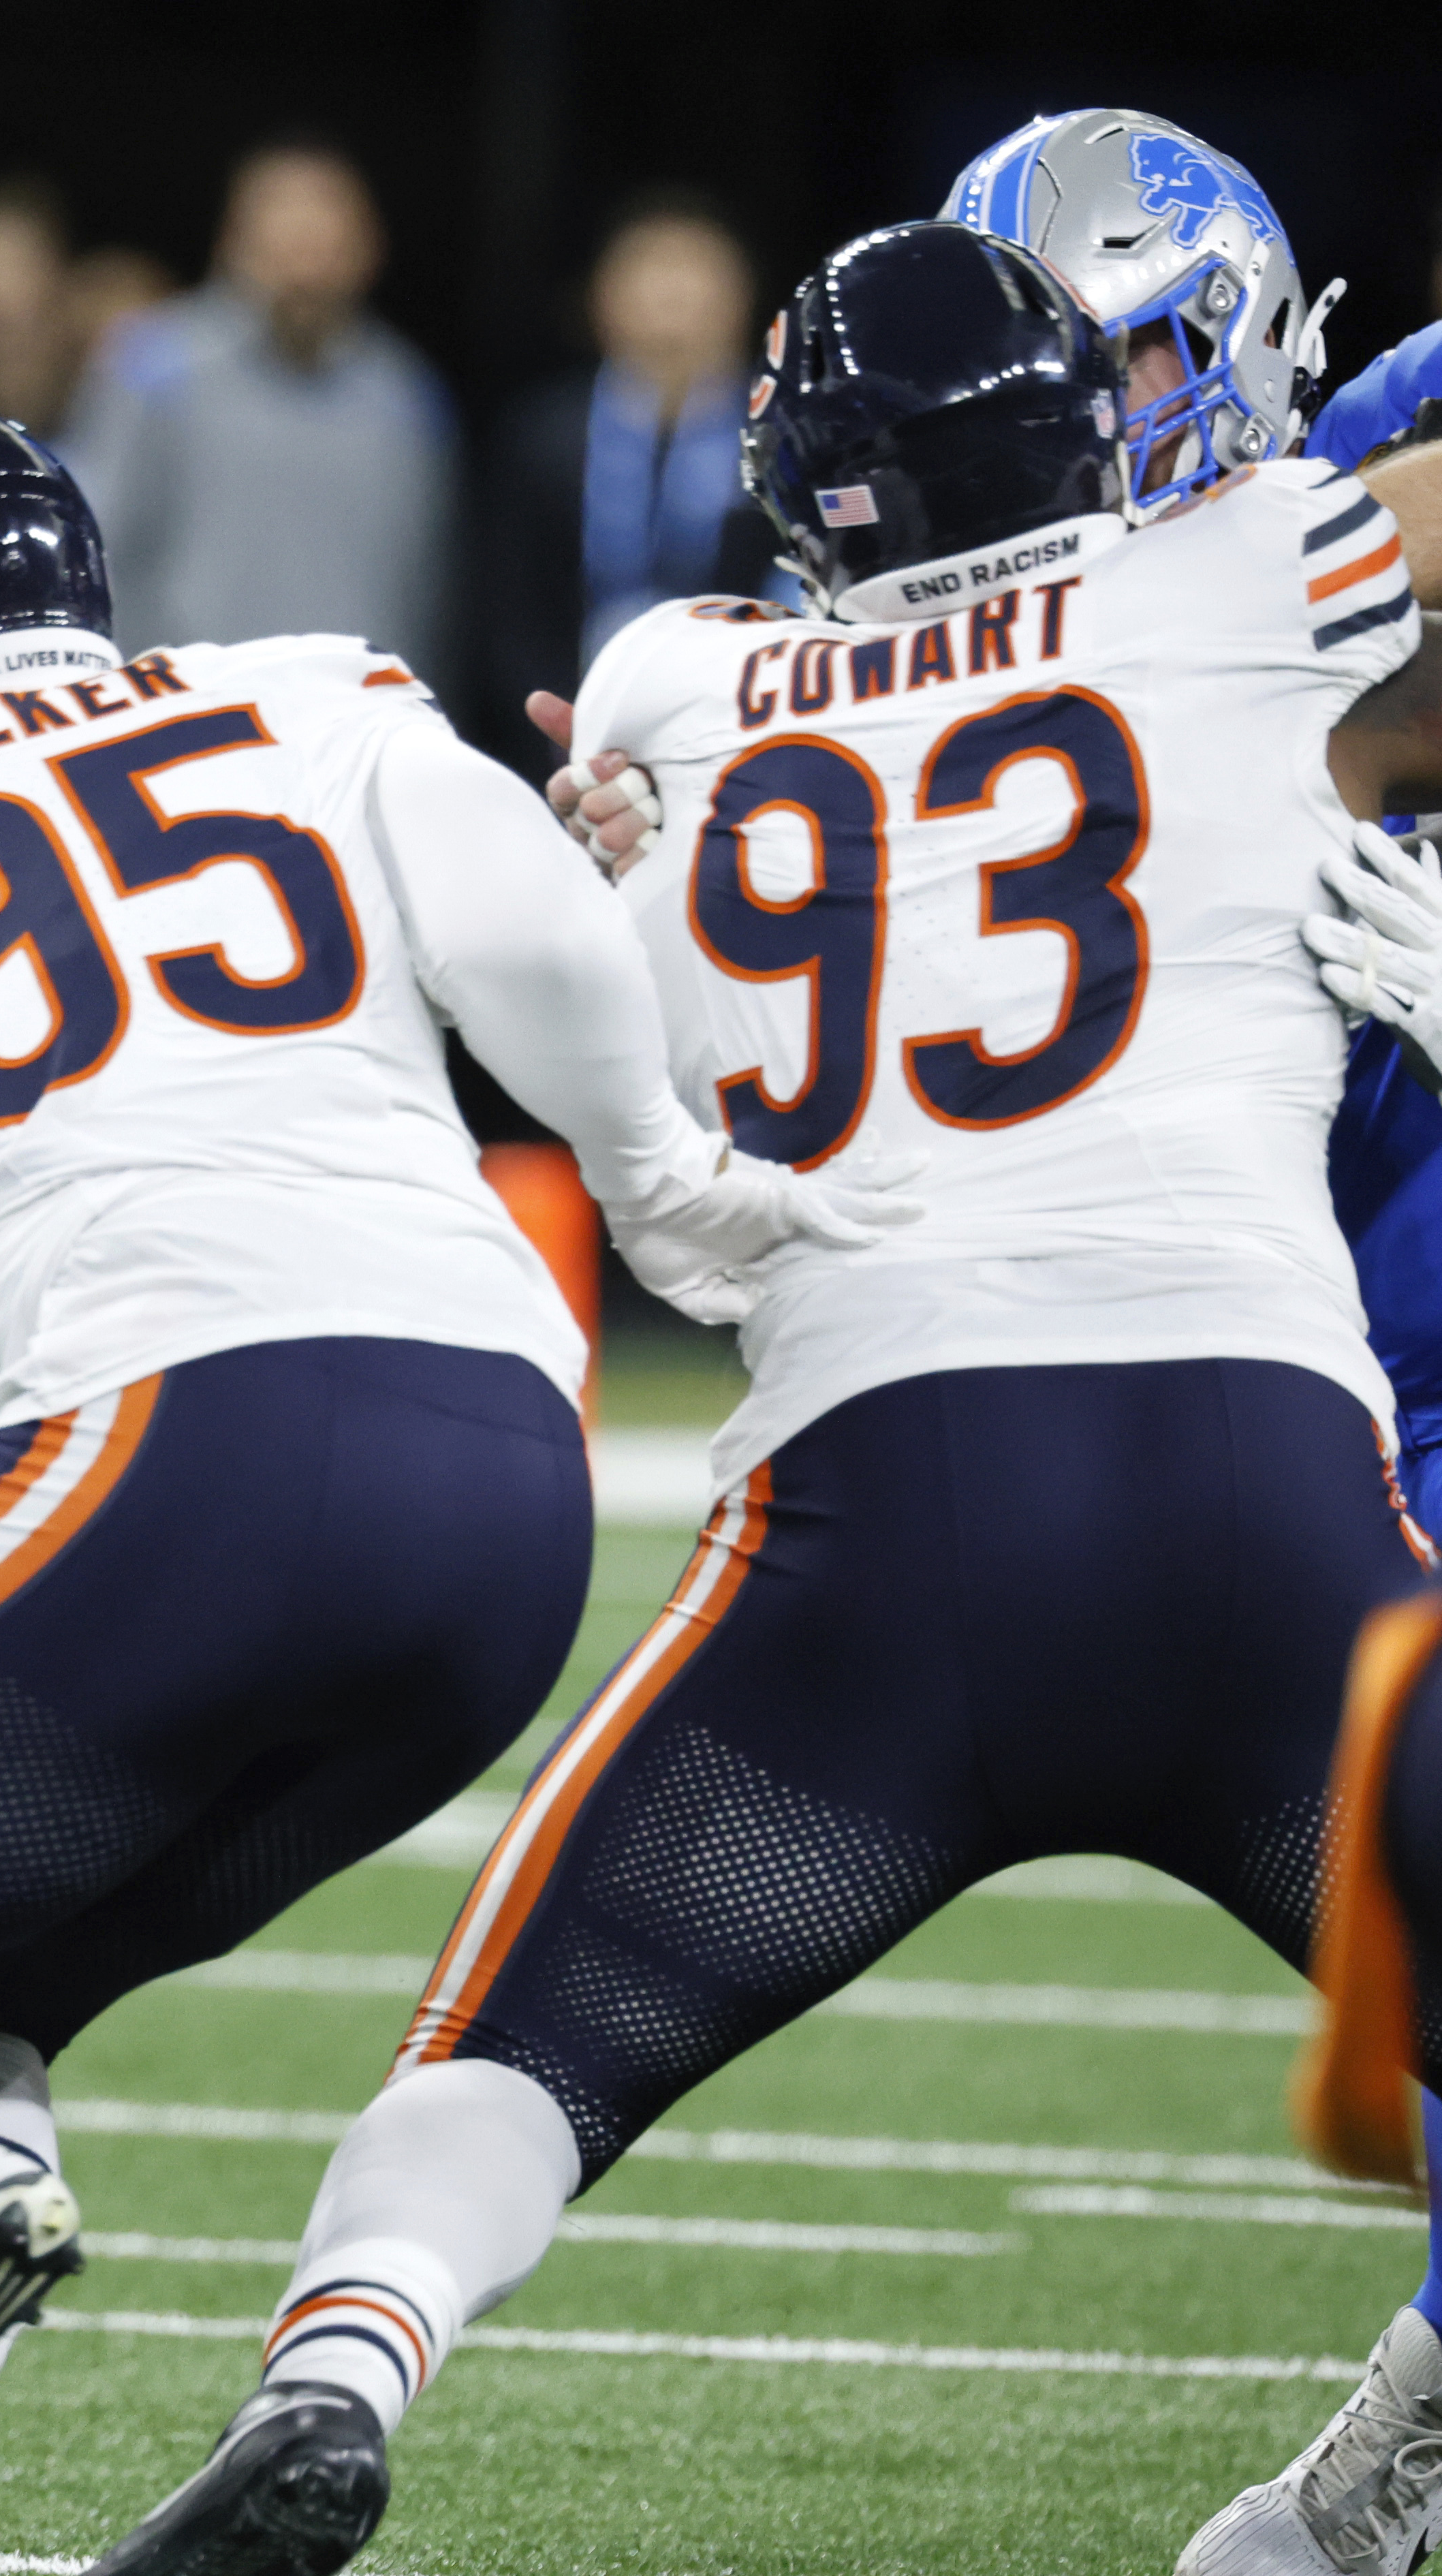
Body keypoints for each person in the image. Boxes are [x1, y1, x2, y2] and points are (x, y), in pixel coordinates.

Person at [111, 220, 1442, 2576]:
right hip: (1265, 1513)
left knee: (522, 2045)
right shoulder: (1257, 578)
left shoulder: (676, 684)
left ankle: (341, 2360)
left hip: (886, 1527)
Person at [0, 402, 896, 2576]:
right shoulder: (305, 691)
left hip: (164, 1441)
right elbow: (529, 914)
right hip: (497, 1486)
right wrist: (655, 1175)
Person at [540, 119, 1442, 2576]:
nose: (1092, 414)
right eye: (1053, 363)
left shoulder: (1331, 516)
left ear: (1245, 337)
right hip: (1281, 1364)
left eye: (1136, 353)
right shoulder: (916, 612)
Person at [62, 138, 453, 684]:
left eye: (326, 246)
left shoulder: (402, 395)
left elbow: (423, 591)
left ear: (369, 252)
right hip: (189, 718)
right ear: (233, 244)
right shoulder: (152, 365)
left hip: (353, 719)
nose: (306, 268)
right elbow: (97, 555)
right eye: (286, 244)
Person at [473, 194, 778, 777]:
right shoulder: (545, 434)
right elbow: (508, 608)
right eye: (648, 268)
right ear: (599, 297)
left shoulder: (781, 438)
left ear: (740, 297)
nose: (671, 292)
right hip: (570, 740)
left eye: (694, 270)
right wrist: (556, 729)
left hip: (740, 740)